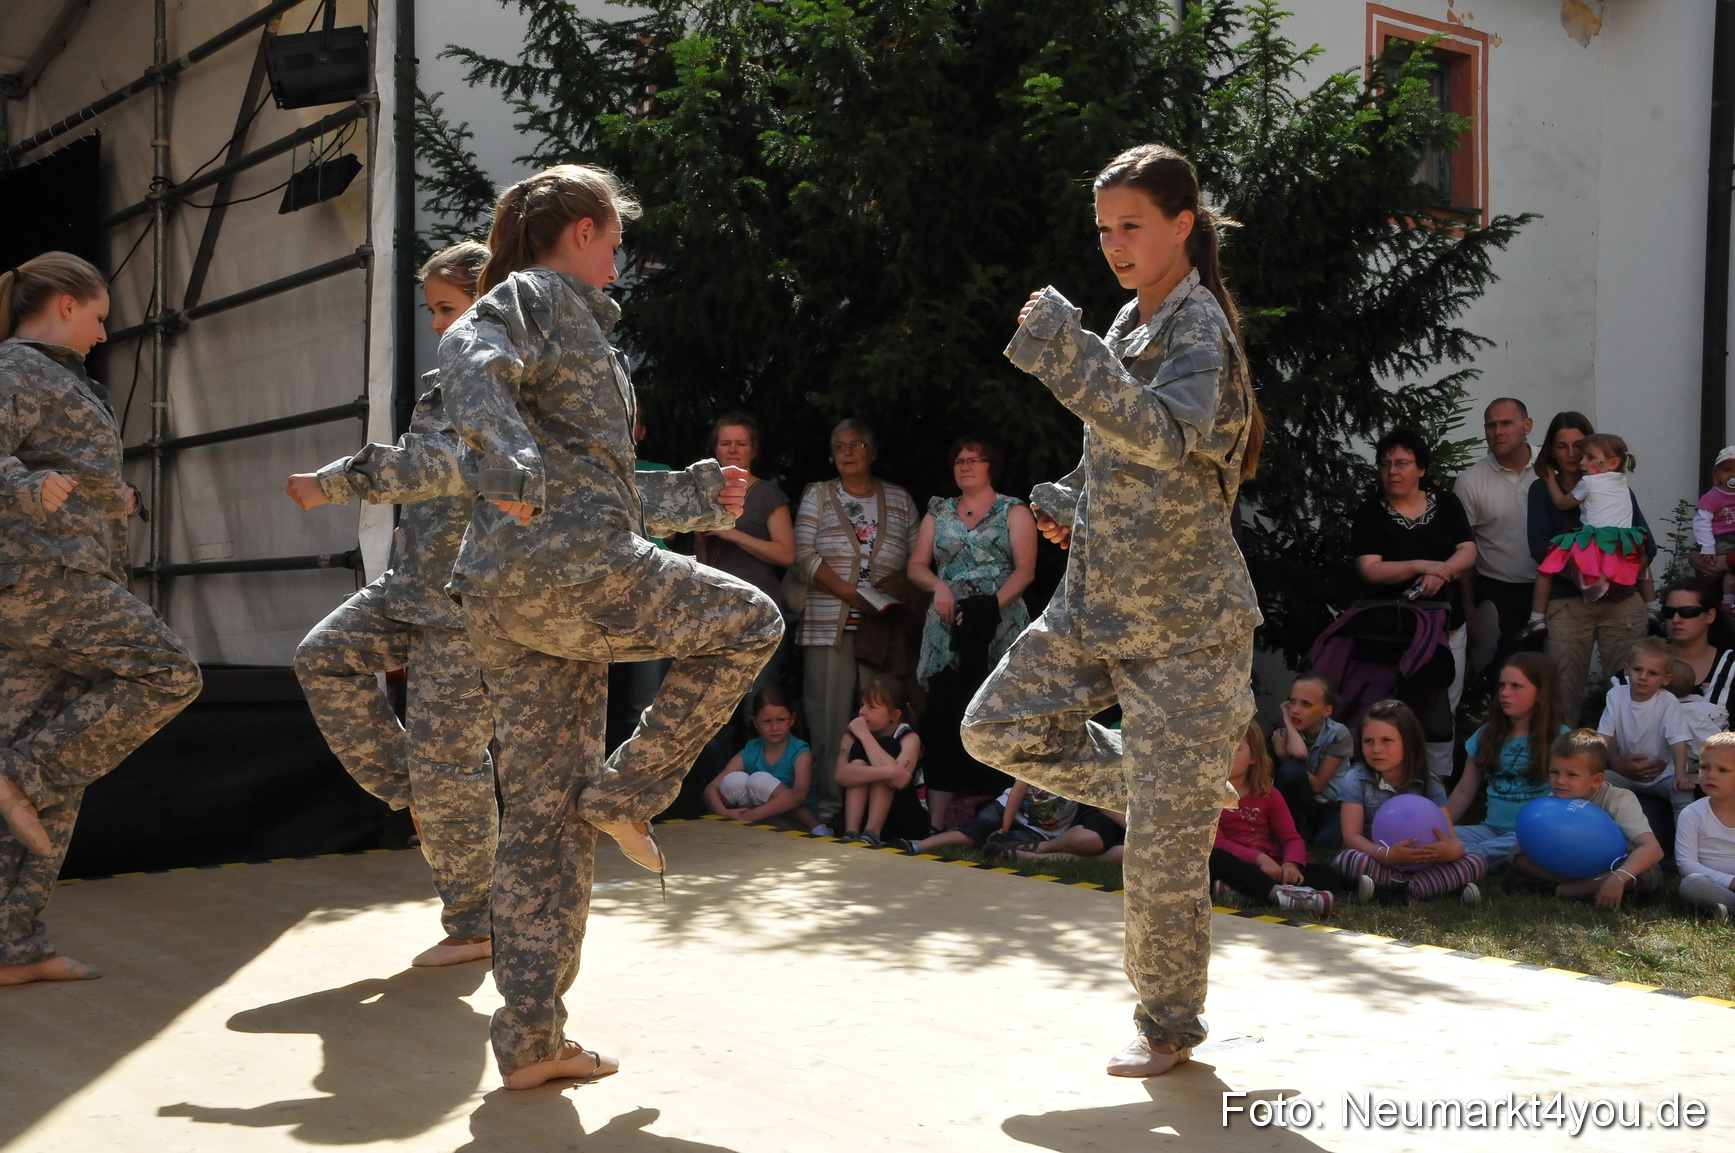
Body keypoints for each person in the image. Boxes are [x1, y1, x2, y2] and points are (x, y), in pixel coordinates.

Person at [438, 165, 783, 1089]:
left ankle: (531, 1040)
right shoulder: (540, 294)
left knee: (541, 817)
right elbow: (468, 349)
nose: (619, 260)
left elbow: (594, 482)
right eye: (616, 240)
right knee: (749, 619)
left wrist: (697, 497)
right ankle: (630, 789)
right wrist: (506, 459)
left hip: (508, 592)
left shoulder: (570, 323)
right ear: (585, 231)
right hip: (572, 570)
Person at [961, 143, 1263, 1079]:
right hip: (1101, 603)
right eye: (1102, 229)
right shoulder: (1137, 319)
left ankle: (1167, 1024)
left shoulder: (1197, 325)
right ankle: (1170, 790)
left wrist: (1069, 352)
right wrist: (1069, 498)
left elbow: (1164, 437)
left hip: (1186, 624)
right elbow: (1121, 455)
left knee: (1161, 857)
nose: (1114, 244)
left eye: (1131, 225)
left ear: (1182, 224)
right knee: (995, 725)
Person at [286, 241, 499, 969]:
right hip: (411, 586)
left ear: (486, 298)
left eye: (447, 308)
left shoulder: (494, 379)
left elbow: (439, 467)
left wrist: (337, 481)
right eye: (432, 310)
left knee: (453, 764)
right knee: (323, 656)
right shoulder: (447, 382)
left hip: (464, 605)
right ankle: (411, 789)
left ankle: (476, 924)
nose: (436, 324)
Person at [0, 252, 202, 986]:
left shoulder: (64, 378)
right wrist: (25, 487)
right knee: (170, 674)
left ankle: (12, 944)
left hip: (55, 578)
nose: (102, 331)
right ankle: (13, 774)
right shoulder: (18, 368)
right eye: (97, 314)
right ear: (63, 303)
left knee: (57, 767)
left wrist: (110, 498)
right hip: (45, 581)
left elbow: (59, 466)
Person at [792, 420, 918, 829]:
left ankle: (878, 818)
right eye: (839, 446)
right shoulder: (818, 495)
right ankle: (829, 811)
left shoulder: (899, 498)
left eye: (857, 444)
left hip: (882, 628)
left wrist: (889, 595)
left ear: (872, 452)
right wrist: (850, 593)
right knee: (829, 722)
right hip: (829, 624)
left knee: (883, 721)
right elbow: (802, 555)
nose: (847, 452)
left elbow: (917, 559)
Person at [905, 435, 1035, 831]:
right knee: (944, 717)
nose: (965, 466)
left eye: (975, 460)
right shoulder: (938, 512)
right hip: (945, 627)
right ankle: (937, 822)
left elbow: (1025, 571)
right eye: (960, 460)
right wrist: (939, 588)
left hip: (999, 625)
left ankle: (996, 819)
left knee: (996, 714)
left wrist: (986, 610)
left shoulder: (1013, 511)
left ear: (990, 466)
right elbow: (917, 566)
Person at [1348, 427, 1477, 780]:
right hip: (1394, 631)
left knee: (1442, 704)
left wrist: (1443, 573)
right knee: (1392, 707)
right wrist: (1424, 565)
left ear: (1421, 468)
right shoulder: (1370, 513)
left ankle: (1434, 786)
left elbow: (1467, 550)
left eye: (1402, 463)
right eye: (1386, 463)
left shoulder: (1447, 503)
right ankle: (1391, 782)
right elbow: (1370, 569)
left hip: (1446, 625)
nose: (1393, 471)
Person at [1527, 411, 1656, 719]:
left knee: (1632, 693)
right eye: (1562, 446)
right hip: (1568, 603)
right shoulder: (1542, 490)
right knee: (1562, 695)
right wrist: (1591, 581)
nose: (1573, 454)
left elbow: (1646, 545)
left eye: (1580, 445)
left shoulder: (1617, 486)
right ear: (1551, 451)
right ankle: (1564, 752)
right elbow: (1540, 547)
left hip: (1621, 600)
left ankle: (1627, 753)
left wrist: (1619, 577)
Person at [1332, 700, 1485, 906]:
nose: (1376, 749)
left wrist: (1452, 850)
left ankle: (1399, 890)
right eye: (1369, 741)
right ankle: (1430, 887)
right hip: (1377, 859)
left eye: (1386, 740)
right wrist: (1387, 855)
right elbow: (1351, 837)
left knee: (1475, 860)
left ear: (1409, 742)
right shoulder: (1355, 779)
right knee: (1347, 860)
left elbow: (1453, 838)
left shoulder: (1429, 782)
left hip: (1425, 862)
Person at [1511, 729, 1663, 908]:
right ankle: (1580, 886)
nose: (1560, 781)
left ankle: (1563, 890)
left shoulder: (1619, 799)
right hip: (1569, 863)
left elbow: (1653, 849)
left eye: (1571, 775)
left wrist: (1619, 877)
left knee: (1646, 874)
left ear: (1596, 780)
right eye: (1554, 772)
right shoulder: (1554, 801)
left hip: (1616, 866)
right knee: (1517, 853)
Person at [1447, 651, 1567, 869]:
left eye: (1516, 686)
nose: (1505, 693)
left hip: (1532, 833)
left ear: (1540, 693)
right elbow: (1463, 791)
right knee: (1436, 837)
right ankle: (1457, 855)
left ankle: (1459, 859)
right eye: (1502, 685)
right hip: (1490, 830)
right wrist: (1439, 827)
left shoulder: (1561, 739)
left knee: (1504, 846)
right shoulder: (1486, 735)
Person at [1210, 720, 1340, 919]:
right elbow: (1217, 843)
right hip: (1236, 863)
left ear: (1254, 756)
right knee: (1214, 859)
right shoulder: (1206, 798)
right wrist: (1259, 859)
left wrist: (1290, 865)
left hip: (1272, 866)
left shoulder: (1268, 794)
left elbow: (1291, 838)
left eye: (1236, 748)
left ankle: (1247, 892)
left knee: (1325, 873)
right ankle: (1281, 895)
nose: (1225, 755)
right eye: (1219, 748)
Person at [1453, 398, 1539, 669]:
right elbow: (1463, 551)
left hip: (1555, 590)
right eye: (1491, 425)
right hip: (1499, 593)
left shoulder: (1552, 468)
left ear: (1527, 425)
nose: (1498, 431)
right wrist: (1469, 610)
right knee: (1506, 675)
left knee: (1555, 674)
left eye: (1506, 423)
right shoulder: (1470, 481)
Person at [1535, 432, 1655, 607]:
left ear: (1613, 463)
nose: (1581, 462)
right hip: (1625, 541)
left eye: (1590, 457)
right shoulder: (1622, 481)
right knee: (1640, 561)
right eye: (1582, 456)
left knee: (1550, 562)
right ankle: (1652, 606)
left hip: (1598, 541)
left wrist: (1550, 479)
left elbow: (1561, 503)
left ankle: (1536, 616)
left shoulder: (1589, 481)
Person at [1597, 637, 1693, 851]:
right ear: (1626, 669)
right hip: (1625, 774)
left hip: (1663, 775)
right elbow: (1603, 737)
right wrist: (1592, 769)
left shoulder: (1668, 702)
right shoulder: (1616, 695)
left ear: (1666, 679)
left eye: (1652, 673)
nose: (1643, 677)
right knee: (1596, 784)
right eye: (1637, 669)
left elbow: (1678, 740)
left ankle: (1684, 851)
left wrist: (1680, 774)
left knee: (1683, 796)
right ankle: (1598, 844)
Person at [703, 686, 817, 828]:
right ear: (755, 723)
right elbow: (712, 787)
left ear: (792, 719)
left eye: (781, 720)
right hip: (758, 818)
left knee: (759, 780)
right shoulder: (752, 749)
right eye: (767, 721)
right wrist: (723, 812)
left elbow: (799, 795)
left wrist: (751, 816)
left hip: (795, 823)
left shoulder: (800, 752)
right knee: (733, 781)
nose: (774, 727)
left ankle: (818, 828)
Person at [835, 674, 925, 846]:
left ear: (894, 715)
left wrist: (865, 735)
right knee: (860, 750)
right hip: (863, 813)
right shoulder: (855, 733)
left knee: (887, 746)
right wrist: (887, 772)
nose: (862, 712)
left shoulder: (909, 737)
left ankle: (872, 832)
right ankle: (851, 832)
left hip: (904, 818)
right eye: (862, 705)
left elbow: (899, 781)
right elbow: (841, 775)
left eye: (871, 707)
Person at [1269, 672, 1353, 845]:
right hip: (1299, 805)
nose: (1295, 710)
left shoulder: (1338, 734)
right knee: (1290, 771)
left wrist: (1284, 756)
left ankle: (1309, 833)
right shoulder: (1283, 736)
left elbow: (1317, 785)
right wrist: (1287, 722)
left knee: (1326, 841)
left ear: (1327, 711)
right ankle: (1297, 834)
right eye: (1292, 702)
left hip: (1329, 806)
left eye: (1306, 704)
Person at [901, 778, 1078, 855]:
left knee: (1012, 842)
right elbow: (1018, 791)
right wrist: (1004, 827)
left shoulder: (1084, 771)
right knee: (980, 829)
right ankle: (917, 846)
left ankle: (993, 844)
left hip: (1037, 830)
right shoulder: (1040, 758)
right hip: (1006, 809)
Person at [1676, 731, 1735, 919]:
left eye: (1722, 770)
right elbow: (1686, 865)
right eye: (1704, 767)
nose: (1711, 775)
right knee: (1691, 884)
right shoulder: (1692, 814)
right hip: (1713, 885)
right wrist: (1731, 881)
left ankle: (1727, 911)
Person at [1693, 446, 1735, 619]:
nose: (1733, 474)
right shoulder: (1712, 497)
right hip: (1720, 539)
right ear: (1716, 475)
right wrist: (1707, 547)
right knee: (1729, 565)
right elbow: (1702, 523)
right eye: (1727, 470)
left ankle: (1729, 600)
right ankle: (1728, 600)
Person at [1007, 807, 1127, 863]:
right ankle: (1042, 847)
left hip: (1132, 829)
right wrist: (1131, 827)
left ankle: (1034, 857)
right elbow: (1101, 797)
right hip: (1110, 812)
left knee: (1126, 855)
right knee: (1089, 840)